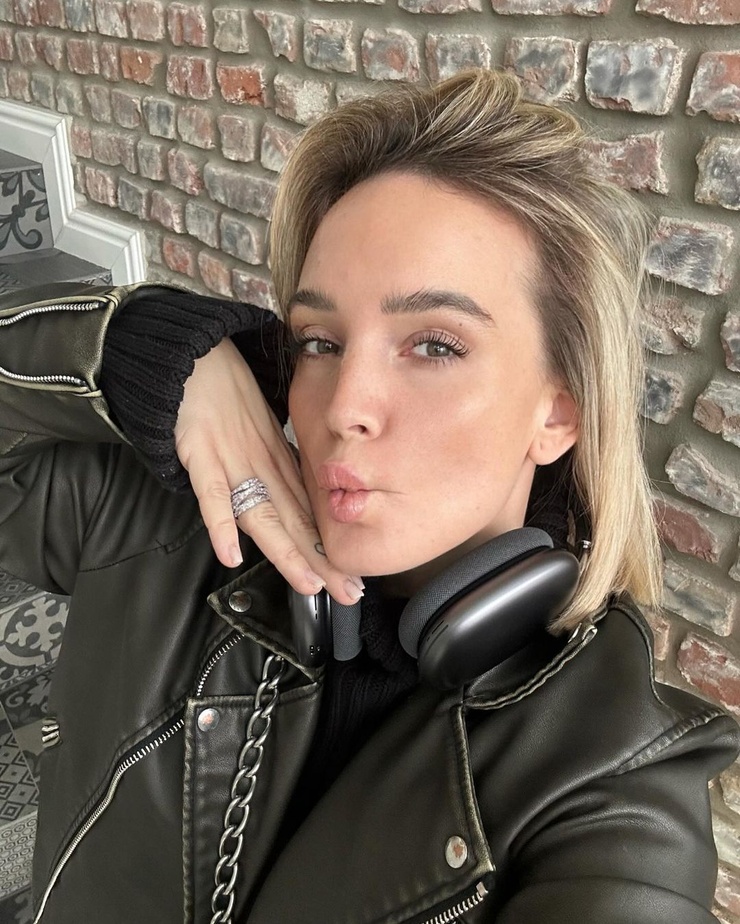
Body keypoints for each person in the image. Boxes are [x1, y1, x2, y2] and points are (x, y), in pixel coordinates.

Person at [0, 69, 737, 924]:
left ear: (558, 413)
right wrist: (132, 350)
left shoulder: (613, 786)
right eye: (319, 341)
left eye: (434, 345)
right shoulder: (163, 525)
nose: (343, 406)